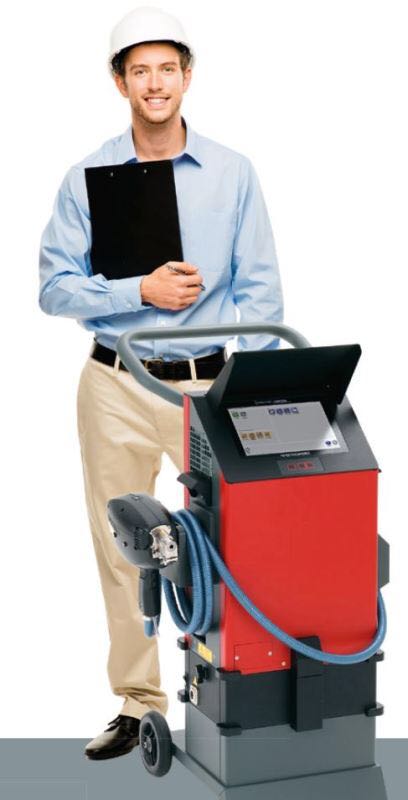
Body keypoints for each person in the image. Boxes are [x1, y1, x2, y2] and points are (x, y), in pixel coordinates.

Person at [39, 6, 283, 761]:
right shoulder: (88, 178)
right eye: (139, 71)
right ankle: (138, 703)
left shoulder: (233, 173)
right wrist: (137, 290)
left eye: (167, 69)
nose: (155, 83)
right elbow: (54, 287)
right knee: (124, 548)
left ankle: (248, 690)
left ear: (187, 76)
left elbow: (261, 292)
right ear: (120, 82)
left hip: (206, 389)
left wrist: (256, 389)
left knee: (239, 540)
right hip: (115, 384)